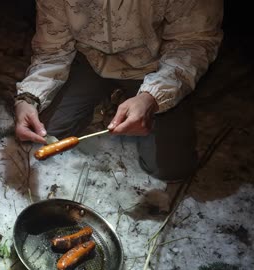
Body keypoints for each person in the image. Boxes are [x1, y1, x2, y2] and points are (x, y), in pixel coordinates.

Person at [14, 0, 223, 182]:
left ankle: (132, 98)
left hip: (153, 66)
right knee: (43, 131)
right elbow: (52, 48)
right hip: (90, 60)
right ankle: (105, 101)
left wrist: (154, 96)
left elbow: (194, 42)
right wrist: (29, 97)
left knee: (170, 167)